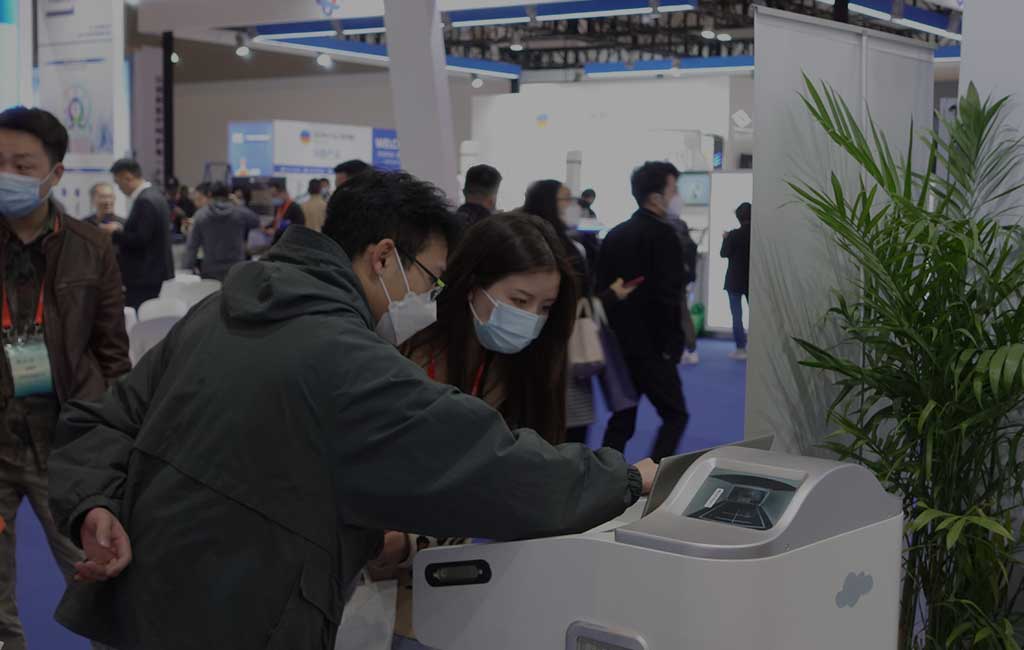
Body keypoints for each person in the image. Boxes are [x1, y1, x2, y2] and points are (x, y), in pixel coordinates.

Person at [46, 170, 656, 650]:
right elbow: (488, 462)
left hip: (147, 602)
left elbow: (103, 419)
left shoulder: (221, 310)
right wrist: (623, 479)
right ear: (383, 257)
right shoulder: (347, 357)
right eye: (431, 278)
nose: (431, 297)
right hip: (244, 617)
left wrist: (94, 503)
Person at [389, 212, 582, 645]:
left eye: (545, 308)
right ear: (473, 287)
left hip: (469, 577)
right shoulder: (406, 350)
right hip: (390, 580)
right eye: (519, 300)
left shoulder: (521, 368)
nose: (532, 319)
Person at [0, 107, 130, 650]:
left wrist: (115, 447)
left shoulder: (90, 247)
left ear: (54, 173)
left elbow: (113, 355)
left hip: (67, 441)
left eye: (21, 165)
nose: (6, 174)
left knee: (99, 585)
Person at [521, 180, 635, 446]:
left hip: (548, 353)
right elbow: (572, 304)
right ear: (548, 203)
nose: (574, 205)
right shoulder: (560, 248)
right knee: (565, 430)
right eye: (566, 199)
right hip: (563, 352)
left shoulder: (553, 242)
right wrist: (610, 296)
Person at [596, 161, 689, 462]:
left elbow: (602, 290)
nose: (678, 196)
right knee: (675, 415)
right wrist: (672, 344)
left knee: (623, 416)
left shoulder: (615, 234)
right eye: (674, 190)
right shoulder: (664, 236)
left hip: (620, 343)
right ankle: (656, 473)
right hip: (655, 346)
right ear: (655, 197)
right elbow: (669, 297)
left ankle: (603, 473)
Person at [106, 158, 175, 309]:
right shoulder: (156, 195)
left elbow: (140, 239)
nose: (119, 188)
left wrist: (115, 233)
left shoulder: (145, 201)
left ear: (127, 177)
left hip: (144, 276)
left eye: (118, 182)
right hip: (154, 273)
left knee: (140, 318)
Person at [182, 181, 261, 282]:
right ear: (229, 195)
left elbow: (192, 246)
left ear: (210, 194)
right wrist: (238, 204)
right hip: (235, 270)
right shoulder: (239, 213)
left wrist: (186, 270)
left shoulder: (201, 215)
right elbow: (256, 221)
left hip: (210, 270)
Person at [721, 202, 752, 360]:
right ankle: (756, 345)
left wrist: (725, 239)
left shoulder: (733, 235)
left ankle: (740, 348)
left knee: (737, 316)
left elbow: (723, 253)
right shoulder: (756, 235)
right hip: (752, 280)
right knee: (756, 315)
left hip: (734, 280)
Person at [264, 179, 305, 243]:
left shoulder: (295, 208)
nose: (273, 198)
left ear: (283, 193)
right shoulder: (279, 207)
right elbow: (276, 221)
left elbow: (298, 227)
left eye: (275, 195)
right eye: (272, 196)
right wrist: (266, 227)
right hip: (278, 241)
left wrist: (275, 231)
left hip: (289, 242)